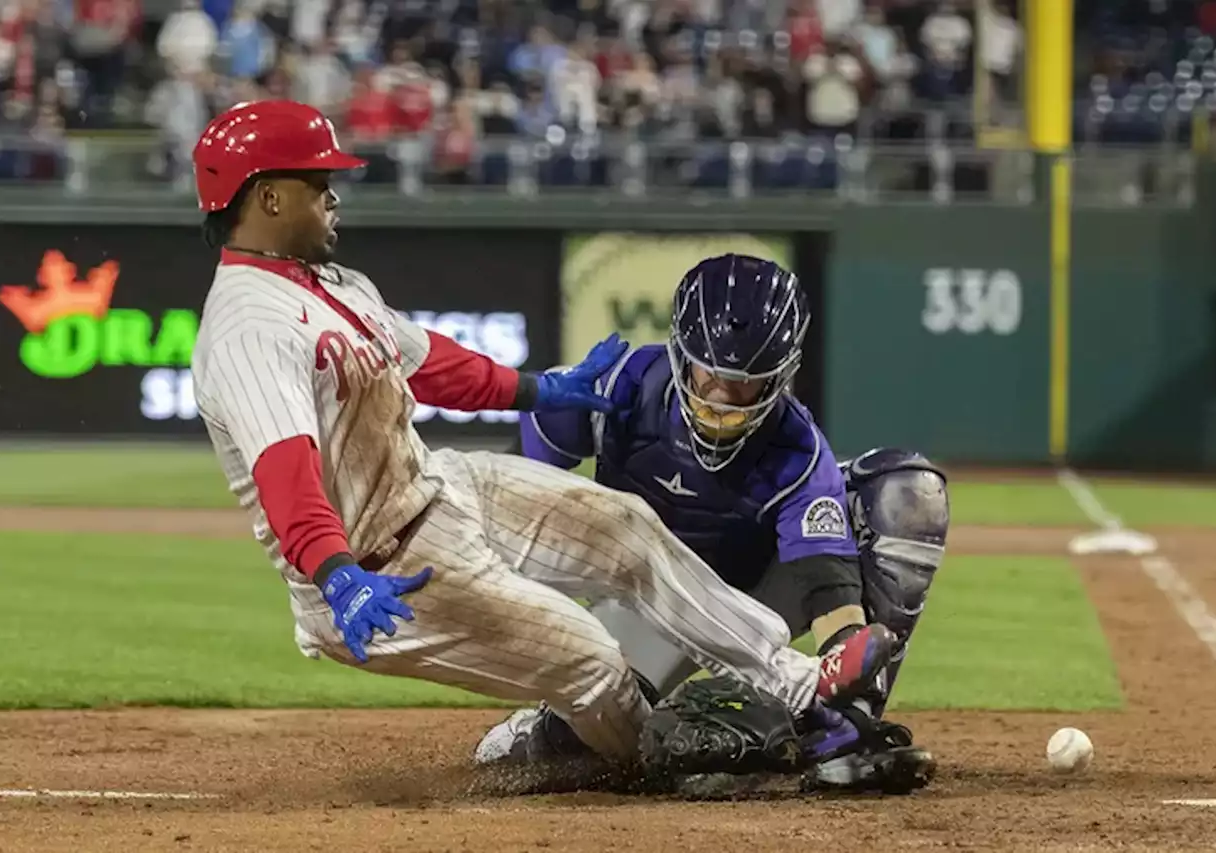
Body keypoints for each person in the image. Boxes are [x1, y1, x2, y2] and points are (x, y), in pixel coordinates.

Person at [188, 101, 895, 774]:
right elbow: (287, 473)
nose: (333, 194)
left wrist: (535, 389)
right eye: (318, 183)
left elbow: (428, 363)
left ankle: (803, 688)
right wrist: (339, 578)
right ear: (269, 199)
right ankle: (645, 764)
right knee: (592, 663)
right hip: (382, 570)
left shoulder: (329, 284)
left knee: (628, 528)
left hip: (440, 490)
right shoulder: (250, 325)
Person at [476, 254, 946, 794]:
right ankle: (546, 727)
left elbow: (825, 586)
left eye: (746, 382)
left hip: (753, 597)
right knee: (586, 755)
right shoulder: (613, 389)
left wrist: (848, 661)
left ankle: (843, 728)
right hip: (648, 601)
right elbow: (509, 490)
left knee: (910, 492)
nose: (723, 394)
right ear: (680, 352)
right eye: (712, 371)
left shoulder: (799, 452)